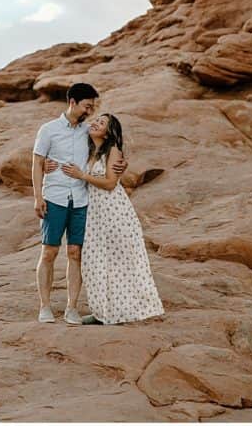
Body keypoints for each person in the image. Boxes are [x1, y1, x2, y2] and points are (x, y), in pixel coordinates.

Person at [31, 82, 126, 324]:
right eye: (87, 106)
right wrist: (38, 197)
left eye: (92, 107)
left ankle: (71, 308)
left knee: (76, 253)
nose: (89, 111)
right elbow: (36, 163)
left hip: (82, 200)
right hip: (54, 197)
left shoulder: (88, 131)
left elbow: (109, 147)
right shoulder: (48, 130)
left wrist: (123, 164)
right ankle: (45, 307)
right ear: (72, 102)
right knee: (50, 251)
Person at [59, 114, 164, 325]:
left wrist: (82, 176)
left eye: (101, 123)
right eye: (95, 120)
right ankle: (102, 311)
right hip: (93, 213)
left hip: (113, 211)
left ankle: (127, 310)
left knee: (119, 260)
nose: (95, 123)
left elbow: (109, 184)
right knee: (95, 261)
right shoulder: (87, 149)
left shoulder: (113, 150)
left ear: (107, 132)